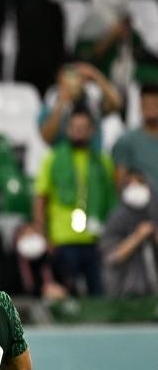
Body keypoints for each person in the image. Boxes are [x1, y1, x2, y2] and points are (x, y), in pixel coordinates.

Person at [34, 107, 117, 296]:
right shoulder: (53, 159)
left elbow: (111, 201)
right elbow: (40, 199)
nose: (78, 131)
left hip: (96, 239)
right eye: (74, 127)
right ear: (67, 129)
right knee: (67, 297)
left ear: (92, 131)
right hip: (63, 240)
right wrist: (44, 235)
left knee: (99, 296)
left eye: (83, 127)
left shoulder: (102, 162)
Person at [75, 0, 156, 94]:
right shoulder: (93, 20)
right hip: (100, 74)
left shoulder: (126, 17)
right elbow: (85, 57)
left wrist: (128, 34)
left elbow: (138, 48)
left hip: (127, 71)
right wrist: (111, 36)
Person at [99, 171, 158, 297]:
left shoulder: (152, 212)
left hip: (151, 290)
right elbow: (111, 256)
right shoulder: (117, 218)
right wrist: (138, 236)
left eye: (140, 183)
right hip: (125, 292)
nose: (136, 187)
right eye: (131, 183)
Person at [38, 63, 122, 148]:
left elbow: (116, 104)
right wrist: (61, 103)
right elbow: (46, 138)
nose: (72, 84)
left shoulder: (92, 99)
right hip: (63, 155)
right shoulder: (51, 102)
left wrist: (95, 75)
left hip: (92, 154)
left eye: (76, 78)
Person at [112, 85, 158, 188]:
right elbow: (119, 183)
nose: (151, 108)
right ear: (140, 106)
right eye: (146, 104)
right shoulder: (126, 141)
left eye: (155, 104)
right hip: (141, 197)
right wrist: (132, 180)